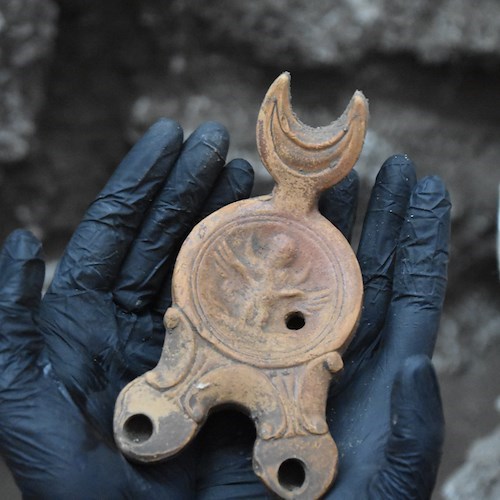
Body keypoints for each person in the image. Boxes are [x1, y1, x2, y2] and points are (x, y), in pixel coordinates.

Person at [0, 119, 450, 499]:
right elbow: (227, 266)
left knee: (294, 415)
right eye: (270, 251)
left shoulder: (315, 265)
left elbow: (304, 299)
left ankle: (286, 433)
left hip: (286, 366)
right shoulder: (235, 250)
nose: (282, 254)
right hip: (203, 347)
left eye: (289, 256)